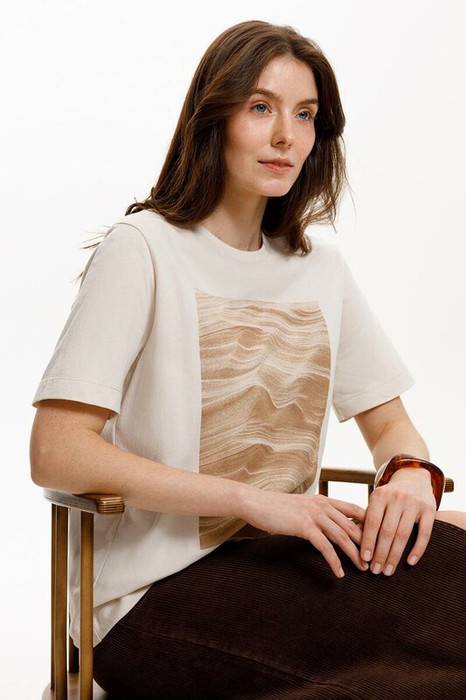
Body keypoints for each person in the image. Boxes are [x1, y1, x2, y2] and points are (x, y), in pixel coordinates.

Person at [30, 19, 465, 700]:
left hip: (291, 563)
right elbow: (56, 451)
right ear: (214, 117)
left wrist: (411, 474)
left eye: (305, 115)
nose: (286, 135)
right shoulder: (143, 248)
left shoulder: (319, 268)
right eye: (261, 108)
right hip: (156, 593)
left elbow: (391, 427)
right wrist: (252, 502)